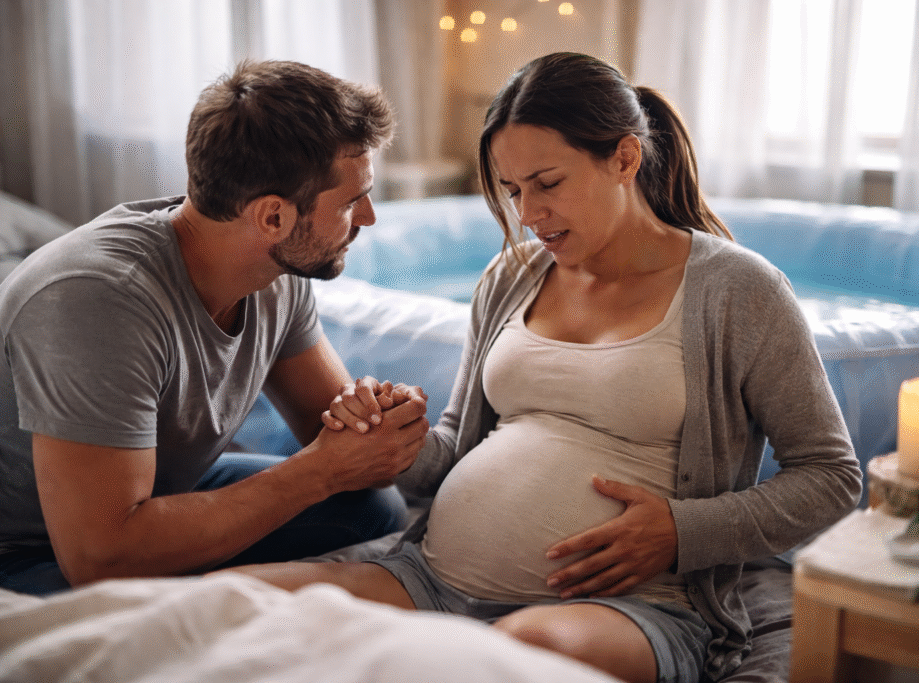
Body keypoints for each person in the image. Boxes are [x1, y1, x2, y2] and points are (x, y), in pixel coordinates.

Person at [225, 53, 863, 683]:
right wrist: (395, 442)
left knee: (512, 653)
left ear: (624, 158)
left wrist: (682, 530)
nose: (528, 215)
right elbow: (451, 450)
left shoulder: (738, 290)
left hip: (634, 609)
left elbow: (832, 477)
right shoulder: (512, 277)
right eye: (513, 191)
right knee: (231, 606)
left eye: (548, 183)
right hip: (428, 579)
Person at [0, 59, 430, 596]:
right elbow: (98, 559)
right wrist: (319, 471)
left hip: (147, 493)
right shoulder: (96, 298)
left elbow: (342, 447)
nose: (368, 217)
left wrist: (375, 420)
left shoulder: (277, 271)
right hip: (33, 547)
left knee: (371, 507)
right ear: (272, 217)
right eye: (350, 200)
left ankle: (187, 562)